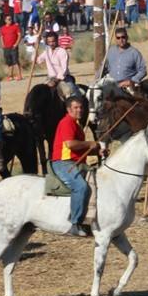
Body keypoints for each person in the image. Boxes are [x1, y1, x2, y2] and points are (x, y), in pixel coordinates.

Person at [51, 95, 94, 237]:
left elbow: (81, 147)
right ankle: (75, 224)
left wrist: (97, 149)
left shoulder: (76, 124)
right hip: (63, 162)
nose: (79, 110)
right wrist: (90, 144)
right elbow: (71, 144)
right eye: (76, 107)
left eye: (81, 107)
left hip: (77, 162)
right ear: (69, 109)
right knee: (80, 187)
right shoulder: (67, 122)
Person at [37, 29, 75, 98]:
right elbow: (38, 60)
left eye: (53, 41)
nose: (51, 44)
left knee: (69, 93)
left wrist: (56, 81)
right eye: (49, 42)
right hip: (50, 78)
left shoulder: (62, 52)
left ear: (57, 40)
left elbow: (64, 70)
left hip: (63, 79)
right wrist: (36, 45)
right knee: (40, 94)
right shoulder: (47, 51)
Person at [0, 14, 21, 81]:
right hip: (6, 48)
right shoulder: (2, 28)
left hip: (13, 47)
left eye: (11, 19)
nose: (10, 20)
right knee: (9, 62)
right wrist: (3, 45)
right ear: (5, 20)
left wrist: (16, 44)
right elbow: (1, 37)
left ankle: (19, 75)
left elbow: (19, 35)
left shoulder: (15, 26)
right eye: (8, 19)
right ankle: (10, 76)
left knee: (15, 61)